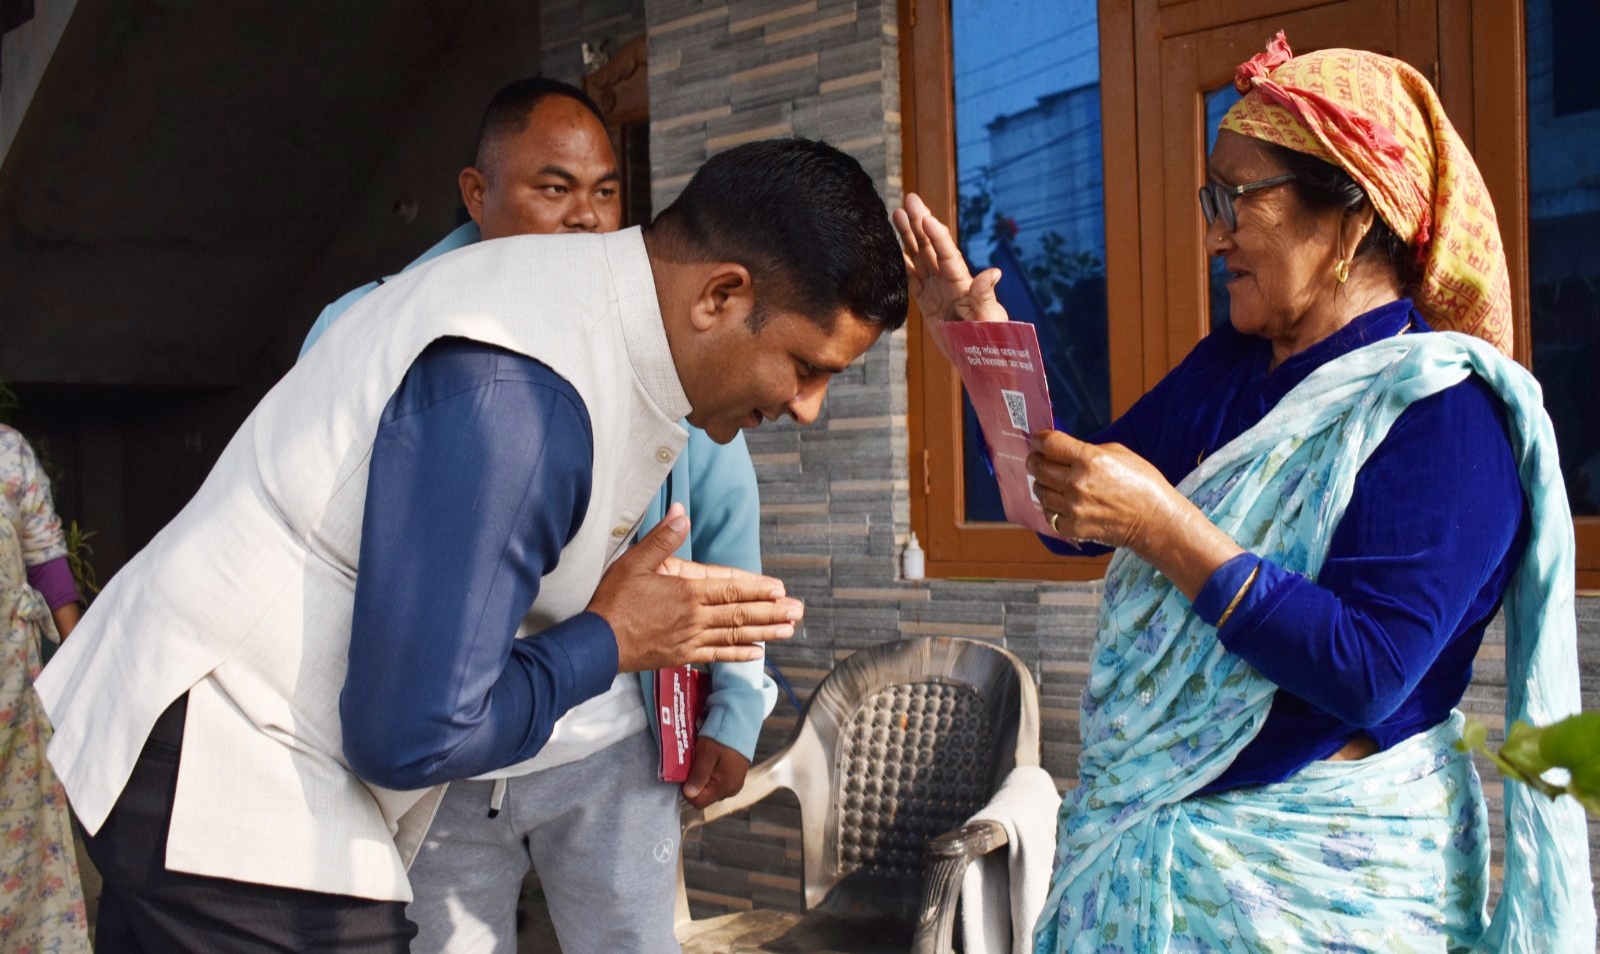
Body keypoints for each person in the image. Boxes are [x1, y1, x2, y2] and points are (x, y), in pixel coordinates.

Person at [36, 136, 907, 953]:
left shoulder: (565, 302)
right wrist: (611, 640)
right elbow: (411, 736)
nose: (808, 408)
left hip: (194, 739)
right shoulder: (521, 392)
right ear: (721, 295)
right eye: (807, 367)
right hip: (225, 769)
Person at [895, 32, 1593, 954]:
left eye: (1237, 198)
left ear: (1351, 216)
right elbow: (1070, 513)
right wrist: (980, 340)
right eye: (1211, 199)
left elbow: (1367, 671)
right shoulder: (1230, 369)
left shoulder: (1444, 414)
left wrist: (1164, 526)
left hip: (1324, 887)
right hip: (1148, 856)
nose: (1215, 232)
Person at [301, 77, 777, 954]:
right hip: (439, 764)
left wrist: (736, 710)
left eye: (605, 192)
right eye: (555, 188)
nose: (587, 218)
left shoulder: (658, 343)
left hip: (611, 747)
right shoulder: (369, 327)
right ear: (476, 193)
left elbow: (726, 546)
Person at [0, 424, 90, 954]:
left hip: (12, 697)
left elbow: (47, 561)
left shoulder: (8, 451)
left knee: (24, 858)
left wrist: (76, 670)